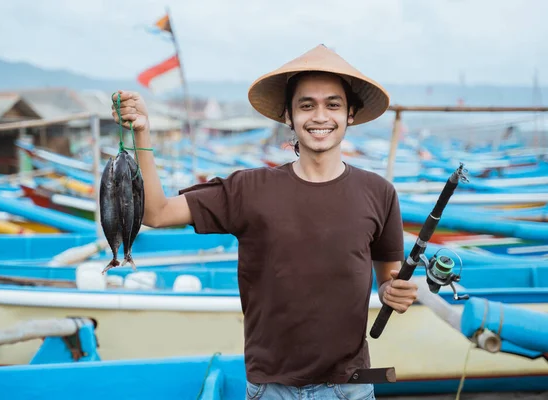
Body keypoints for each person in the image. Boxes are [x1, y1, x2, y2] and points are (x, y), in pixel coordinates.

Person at [112, 44, 418, 400]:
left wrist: (395, 293)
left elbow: (387, 282)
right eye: (307, 105)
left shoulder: (379, 193)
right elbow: (157, 213)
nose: (320, 116)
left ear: (350, 113)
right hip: (271, 389)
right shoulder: (249, 189)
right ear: (288, 116)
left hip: (349, 388)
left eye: (333, 104)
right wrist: (142, 134)